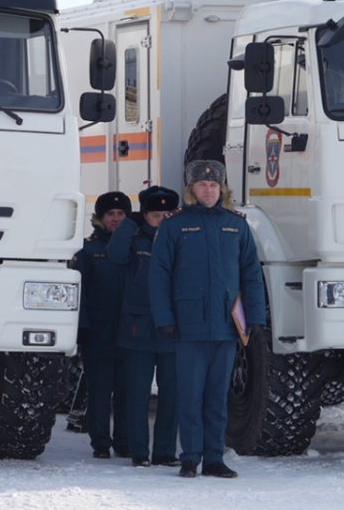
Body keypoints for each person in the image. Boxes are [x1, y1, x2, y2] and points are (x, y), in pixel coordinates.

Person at [148, 160, 266, 479]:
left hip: (227, 327)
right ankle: (189, 457)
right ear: (191, 190)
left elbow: (251, 274)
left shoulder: (237, 225)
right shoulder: (174, 225)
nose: (208, 190)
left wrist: (255, 316)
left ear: (222, 189)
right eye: (202, 185)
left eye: (214, 186)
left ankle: (214, 457)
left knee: (217, 395)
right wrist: (165, 318)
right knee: (190, 394)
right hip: (188, 325)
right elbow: (159, 275)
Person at [106, 185, 180, 468]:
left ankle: (164, 451)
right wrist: (128, 225)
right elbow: (115, 256)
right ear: (144, 215)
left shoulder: (179, 241)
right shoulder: (135, 240)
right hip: (138, 326)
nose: (161, 220)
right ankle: (139, 451)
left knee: (171, 394)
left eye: (167, 214)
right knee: (137, 393)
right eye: (154, 215)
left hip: (171, 327)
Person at [72, 190, 132, 458]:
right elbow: (80, 292)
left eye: (121, 214)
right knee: (99, 391)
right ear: (100, 218)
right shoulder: (88, 250)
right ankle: (100, 442)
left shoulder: (134, 246)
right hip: (98, 331)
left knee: (126, 391)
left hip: (128, 332)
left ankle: (124, 440)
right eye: (111, 214)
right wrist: (81, 327)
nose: (116, 219)